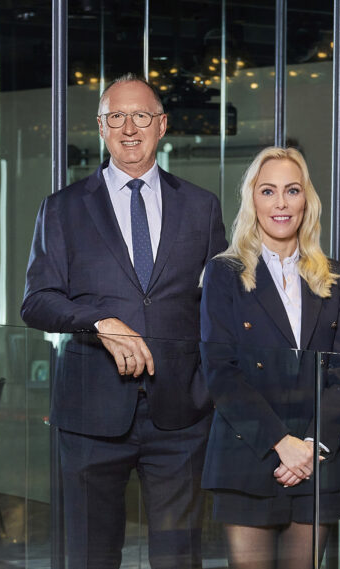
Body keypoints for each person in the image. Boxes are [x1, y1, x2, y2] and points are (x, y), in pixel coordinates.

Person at [21, 73, 227, 569]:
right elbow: (37, 301)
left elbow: (219, 307)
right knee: (90, 556)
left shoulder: (201, 206)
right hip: (89, 413)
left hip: (181, 414)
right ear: (101, 127)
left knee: (179, 558)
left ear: (162, 125)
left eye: (140, 116)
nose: (129, 128)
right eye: (116, 116)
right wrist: (99, 322)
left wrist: (211, 389)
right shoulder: (63, 208)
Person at [199, 147, 340, 569]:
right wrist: (280, 442)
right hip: (248, 453)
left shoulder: (333, 276)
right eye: (268, 191)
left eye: (292, 190)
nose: (281, 203)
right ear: (252, 200)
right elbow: (221, 372)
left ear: (307, 200)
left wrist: (309, 446)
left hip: (315, 457)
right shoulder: (224, 272)